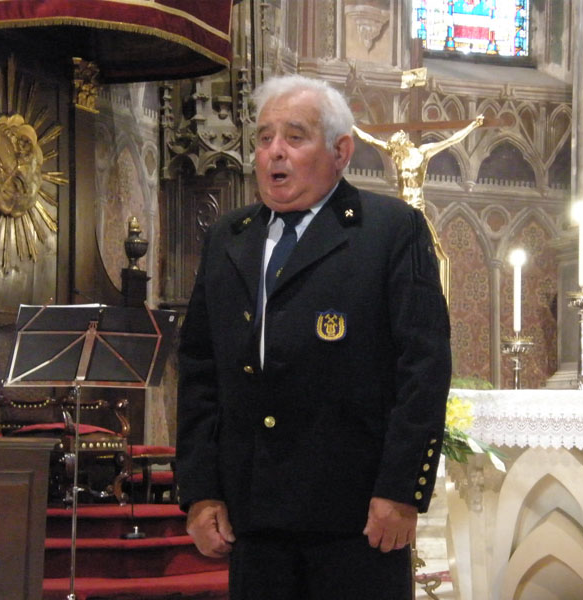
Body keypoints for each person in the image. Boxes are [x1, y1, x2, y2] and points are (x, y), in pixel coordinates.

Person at [176, 74, 452, 599]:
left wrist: (401, 489)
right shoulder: (230, 237)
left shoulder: (389, 230)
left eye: (294, 137)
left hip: (356, 515)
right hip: (252, 513)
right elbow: (200, 372)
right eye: (264, 138)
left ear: (340, 151)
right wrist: (201, 490)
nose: (274, 152)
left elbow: (423, 368)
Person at [352, 115, 484, 212]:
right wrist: (352, 127)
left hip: (417, 205)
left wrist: (473, 125)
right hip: (402, 205)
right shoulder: (398, 155)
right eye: (394, 147)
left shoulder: (422, 152)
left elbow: (451, 141)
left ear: (403, 142)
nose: (394, 150)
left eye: (396, 145)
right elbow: (370, 140)